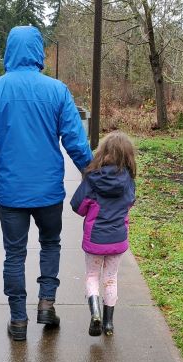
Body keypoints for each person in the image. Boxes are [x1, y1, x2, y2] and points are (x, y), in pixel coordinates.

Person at [0, 25, 92, 341]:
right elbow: (75, 141)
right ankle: (47, 303)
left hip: (10, 193)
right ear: (37, 52)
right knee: (50, 243)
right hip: (48, 190)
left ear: (9, 50)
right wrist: (93, 175)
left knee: (14, 253)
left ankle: (18, 319)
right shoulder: (57, 91)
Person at [69, 132, 136, 336]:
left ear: (102, 152)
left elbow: (78, 206)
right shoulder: (128, 181)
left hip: (95, 239)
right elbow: (129, 204)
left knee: (92, 276)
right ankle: (108, 324)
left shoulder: (92, 179)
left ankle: (95, 313)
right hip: (117, 238)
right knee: (111, 278)